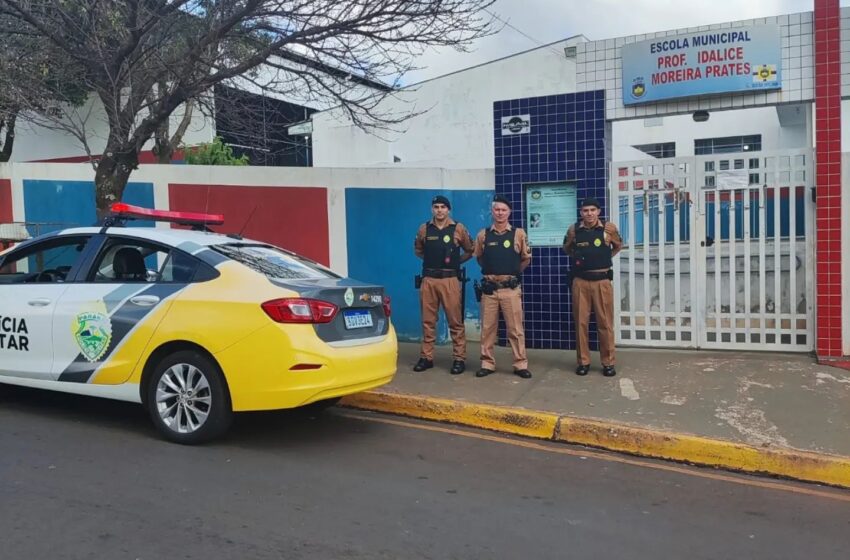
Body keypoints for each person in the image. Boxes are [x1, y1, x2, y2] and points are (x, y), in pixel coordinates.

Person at [413, 195, 475, 374]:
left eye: (443, 207)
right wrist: (434, 263)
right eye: (436, 207)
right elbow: (418, 250)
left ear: (448, 210)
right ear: (432, 209)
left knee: (455, 321)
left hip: (450, 280)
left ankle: (459, 358)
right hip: (429, 280)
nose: (439, 210)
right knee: (428, 321)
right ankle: (426, 357)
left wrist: (455, 262)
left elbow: (470, 250)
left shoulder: (458, 228)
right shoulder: (424, 228)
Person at [473, 195, 532, 379]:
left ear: (509, 212)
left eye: (503, 210)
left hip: (510, 290)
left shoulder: (518, 234)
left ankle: (520, 363)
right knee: (488, 328)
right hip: (490, 290)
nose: (500, 213)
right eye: (497, 209)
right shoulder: (483, 234)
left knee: (515, 329)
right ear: (492, 211)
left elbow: (525, 259)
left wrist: (512, 274)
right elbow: (480, 258)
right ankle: (487, 363)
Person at [562, 197, 623, 377]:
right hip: (580, 282)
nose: (589, 214)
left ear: (599, 212)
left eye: (592, 210)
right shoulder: (574, 230)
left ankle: (608, 363)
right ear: (581, 213)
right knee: (581, 324)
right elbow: (567, 248)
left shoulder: (608, 229)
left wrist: (604, 259)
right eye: (585, 210)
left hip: (602, 282)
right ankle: (583, 362)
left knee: (605, 324)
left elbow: (618, 246)